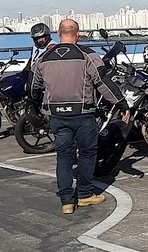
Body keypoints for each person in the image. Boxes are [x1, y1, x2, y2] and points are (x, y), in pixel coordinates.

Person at [30, 19, 131, 215]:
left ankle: (67, 201)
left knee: (64, 156)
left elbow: (33, 87)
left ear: (58, 34)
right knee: (86, 154)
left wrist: (37, 105)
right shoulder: (88, 55)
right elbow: (103, 82)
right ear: (77, 34)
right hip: (83, 114)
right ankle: (84, 195)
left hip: (57, 115)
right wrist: (121, 103)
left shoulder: (44, 58)